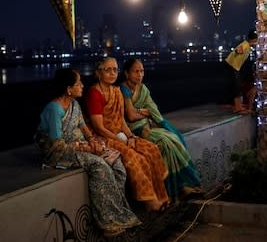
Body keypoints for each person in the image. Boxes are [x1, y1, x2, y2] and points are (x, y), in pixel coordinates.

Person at [34, 68, 141, 237]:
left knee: (115, 160)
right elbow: (57, 144)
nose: (82, 86)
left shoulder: (74, 104)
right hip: (61, 152)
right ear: (69, 88)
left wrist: (93, 141)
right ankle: (107, 222)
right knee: (99, 165)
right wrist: (85, 147)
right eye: (78, 84)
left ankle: (117, 211)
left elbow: (84, 127)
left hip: (80, 144)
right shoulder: (55, 109)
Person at [85, 57, 170, 212]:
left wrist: (130, 136)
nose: (112, 73)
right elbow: (98, 127)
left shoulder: (116, 91)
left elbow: (121, 120)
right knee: (135, 158)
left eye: (115, 69)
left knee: (151, 149)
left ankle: (161, 195)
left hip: (121, 134)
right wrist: (120, 140)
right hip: (105, 137)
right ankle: (149, 201)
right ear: (98, 73)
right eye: (108, 70)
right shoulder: (94, 94)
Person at [120, 58, 202, 202]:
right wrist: (143, 111)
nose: (140, 75)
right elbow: (131, 116)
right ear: (127, 74)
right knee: (164, 143)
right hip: (134, 131)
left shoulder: (143, 89)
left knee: (174, 138)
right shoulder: (123, 89)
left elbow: (153, 109)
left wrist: (145, 113)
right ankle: (175, 188)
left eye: (142, 71)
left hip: (148, 126)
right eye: (136, 71)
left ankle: (184, 184)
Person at [224, 29, 258, 114]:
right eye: (257, 41)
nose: (257, 43)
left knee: (238, 85)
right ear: (253, 40)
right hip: (231, 66)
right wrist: (237, 51)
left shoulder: (248, 46)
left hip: (235, 67)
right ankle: (237, 108)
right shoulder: (245, 45)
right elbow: (237, 51)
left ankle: (238, 106)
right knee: (237, 86)